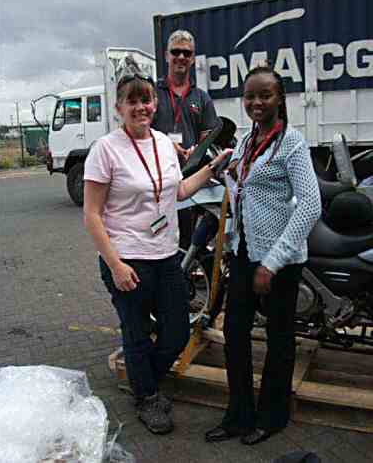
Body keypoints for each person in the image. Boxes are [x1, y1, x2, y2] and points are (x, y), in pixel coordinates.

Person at [83, 72, 231, 436]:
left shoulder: (164, 142)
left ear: (155, 104)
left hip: (166, 255)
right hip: (127, 258)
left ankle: (142, 376)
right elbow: (91, 215)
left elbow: (178, 191)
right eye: (132, 101)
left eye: (146, 100)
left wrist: (213, 168)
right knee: (135, 333)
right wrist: (115, 264)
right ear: (119, 108)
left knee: (177, 332)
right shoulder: (105, 149)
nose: (141, 107)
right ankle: (147, 397)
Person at [205, 66, 322, 445]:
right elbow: (244, 189)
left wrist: (273, 261)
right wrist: (221, 171)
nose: (256, 103)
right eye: (250, 96)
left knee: (279, 338)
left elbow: (310, 205)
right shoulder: (245, 141)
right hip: (243, 252)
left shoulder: (292, 144)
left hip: (281, 261)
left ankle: (272, 417)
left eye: (265, 95)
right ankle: (239, 415)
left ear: (280, 98)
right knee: (234, 333)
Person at [152, 29, 222, 248]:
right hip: (157, 176)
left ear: (192, 58)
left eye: (186, 53)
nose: (181, 57)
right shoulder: (153, 93)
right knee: (158, 230)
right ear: (166, 56)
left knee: (188, 233)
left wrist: (198, 150)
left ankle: (186, 275)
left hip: (189, 176)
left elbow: (209, 136)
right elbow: (140, 132)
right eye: (176, 52)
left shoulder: (201, 97)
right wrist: (166, 144)